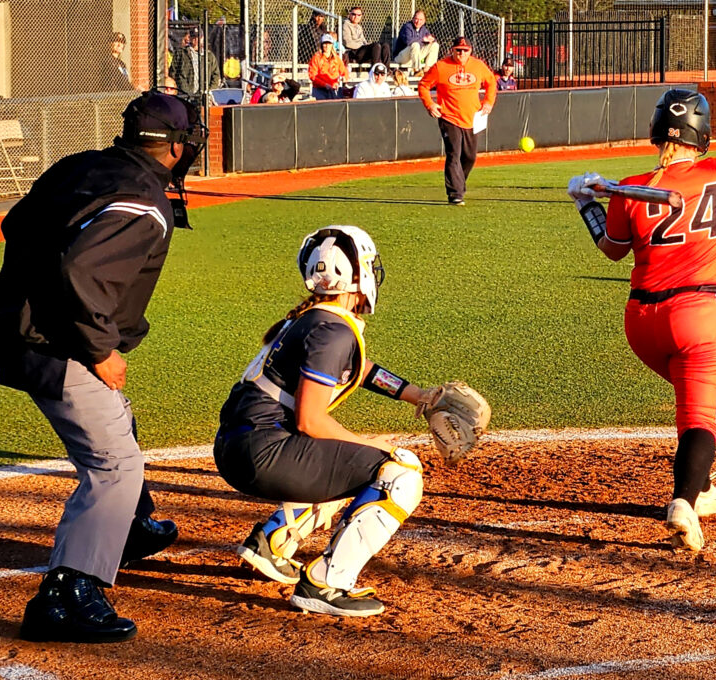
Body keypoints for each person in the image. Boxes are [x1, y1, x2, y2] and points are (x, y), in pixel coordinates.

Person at [0, 92, 207, 643]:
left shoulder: (80, 165)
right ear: (177, 148)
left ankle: (127, 528)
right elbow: (82, 273)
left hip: (23, 324)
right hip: (57, 343)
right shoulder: (144, 200)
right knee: (113, 464)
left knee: (115, 421)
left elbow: (18, 224)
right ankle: (67, 595)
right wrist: (101, 348)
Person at [215, 226, 432, 617]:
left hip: (242, 444)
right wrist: (384, 453)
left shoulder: (316, 319)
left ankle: (274, 539)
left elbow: (357, 369)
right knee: (398, 473)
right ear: (355, 275)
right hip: (262, 452)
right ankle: (327, 583)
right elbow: (311, 421)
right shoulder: (332, 331)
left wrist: (417, 395)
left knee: (349, 462)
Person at [566, 89, 716, 554]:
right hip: (700, 314)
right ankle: (685, 500)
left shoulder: (629, 189)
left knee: (690, 401)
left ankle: (700, 486)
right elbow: (688, 180)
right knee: (701, 414)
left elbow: (612, 248)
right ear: (700, 134)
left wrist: (588, 202)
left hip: (642, 321)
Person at [418, 37, 497, 206]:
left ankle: (459, 182)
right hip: (449, 116)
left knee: (469, 157)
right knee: (454, 154)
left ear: (470, 51)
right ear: (452, 50)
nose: (461, 53)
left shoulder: (478, 66)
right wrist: (430, 104)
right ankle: (455, 194)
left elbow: (491, 83)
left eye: (465, 50)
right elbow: (423, 85)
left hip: (472, 117)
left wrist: (489, 102)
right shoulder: (441, 67)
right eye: (458, 50)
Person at [171, 27, 221, 97]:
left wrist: (209, 91)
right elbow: (173, 73)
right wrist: (178, 89)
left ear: (202, 38)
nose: (196, 39)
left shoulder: (209, 56)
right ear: (190, 38)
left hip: (203, 96)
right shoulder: (181, 53)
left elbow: (216, 76)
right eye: (194, 37)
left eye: (199, 37)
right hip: (184, 95)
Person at [394, 10, 440, 75]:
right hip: (401, 57)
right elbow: (408, 41)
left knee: (435, 45)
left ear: (424, 21)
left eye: (421, 20)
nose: (418, 22)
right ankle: (417, 70)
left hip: (415, 57)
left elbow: (431, 39)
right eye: (416, 19)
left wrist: (431, 39)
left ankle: (428, 70)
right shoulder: (407, 27)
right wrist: (423, 39)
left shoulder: (424, 29)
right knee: (415, 44)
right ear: (413, 19)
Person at [308, 33, 349, 100]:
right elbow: (312, 76)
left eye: (329, 44)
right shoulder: (316, 58)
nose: (327, 46)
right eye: (325, 44)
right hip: (320, 89)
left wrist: (345, 77)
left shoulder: (336, 58)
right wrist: (324, 84)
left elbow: (344, 71)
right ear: (321, 45)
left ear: (332, 45)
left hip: (334, 88)